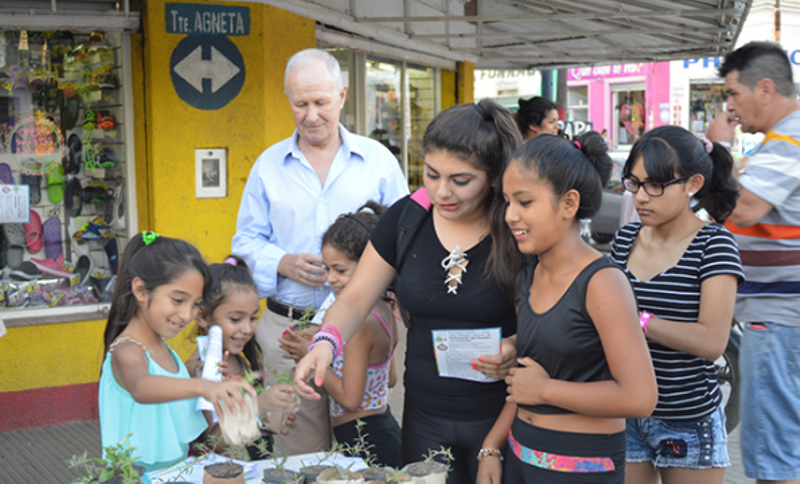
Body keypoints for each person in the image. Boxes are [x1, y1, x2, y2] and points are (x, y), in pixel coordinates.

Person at [295, 99, 523, 483]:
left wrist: (515, 344)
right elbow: (354, 297)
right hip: (425, 417)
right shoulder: (408, 218)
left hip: (500, 416)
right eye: (431, 174)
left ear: (495, 176)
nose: (442, 192)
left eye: (461, 180)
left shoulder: (517, 225)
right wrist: (325, 343)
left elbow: (550, 318)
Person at [231, 48, 408, 455]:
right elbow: (244, 241)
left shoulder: (378, 161)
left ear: (342, 95)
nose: (311, 114)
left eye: (321, 102)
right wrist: (283, 262)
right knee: (299, 460)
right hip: (287, 331)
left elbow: (404, 239)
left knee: (361, 453)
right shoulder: (267, 165)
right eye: (300, 104)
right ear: (288, 100)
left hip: (358, 330)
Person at [477, 132, 658, 484]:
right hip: (518, 456)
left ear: (569, 204)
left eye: (525, 202)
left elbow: (640, 397)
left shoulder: (602, 282)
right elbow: (527, 377)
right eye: (507, 202)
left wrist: (545, 391)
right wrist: (492, 446)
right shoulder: (528, 274)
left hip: (581, 468)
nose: (510, 215)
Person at [610, 126, 743, 484]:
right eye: (633, 183)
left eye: (655, 185)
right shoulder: (625, 239)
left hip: (687, 421)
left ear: (692, 184)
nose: (641, 197)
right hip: (624, 411)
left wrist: (637, 320)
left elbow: (711, 341)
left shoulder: (714, 246)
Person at [706, 41, 800, 484]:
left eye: (732, 94)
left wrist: (720, 149)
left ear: (765, 89)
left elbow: (744, 209)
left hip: (777, 319)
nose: (730, 107)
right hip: (778, 318)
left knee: (771, 456)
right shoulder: (780, 141)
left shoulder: (790, 137)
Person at [99, 232, 255, 472]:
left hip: (175, 471)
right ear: (141, 291)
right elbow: (142, 387)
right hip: (135, 476)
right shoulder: (127, 349)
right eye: (177, 300)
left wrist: (203, 377)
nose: (187, 315)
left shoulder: (165, 349)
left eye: (195, 304)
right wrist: (204, 387)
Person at [280, 202, 402, 468]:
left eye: (341, 270)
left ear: (370, 266)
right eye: (327, 268)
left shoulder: (361, 325)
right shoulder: (384, 308)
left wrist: (309, 358)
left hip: (366, 440)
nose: (330, 279)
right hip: (380, 428)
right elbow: (389, 379)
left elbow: (350, 399)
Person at [185, 256, 300, 460]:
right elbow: (211, 442)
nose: (247, 329)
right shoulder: (198, 370)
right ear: (202, 316)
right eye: (236, 319)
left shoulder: (241, 362)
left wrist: (270, 421)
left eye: (253, 318)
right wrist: (257, 407)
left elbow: (246, 432)